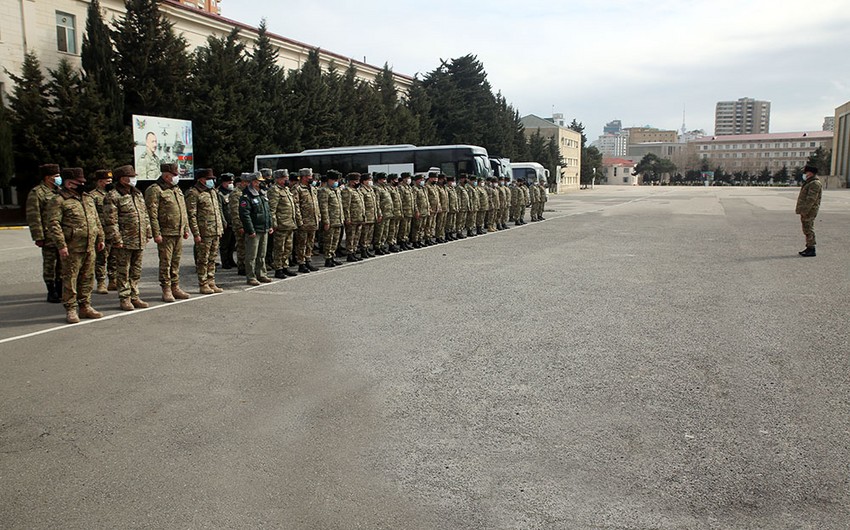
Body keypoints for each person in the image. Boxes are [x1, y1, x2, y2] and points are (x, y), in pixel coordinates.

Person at [46, 168, 105, 323]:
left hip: (89, 245)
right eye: (80, 182)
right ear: (69, 183)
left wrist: (100, 238)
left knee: (87, 277)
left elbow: (95, 219)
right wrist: (61, 245)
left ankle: (85, 306)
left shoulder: (87, 198)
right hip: (72, 247)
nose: (83, 184)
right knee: (70, 279)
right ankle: (71, 309)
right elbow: (53, 224)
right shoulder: (59, 200)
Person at [104, 165, 152, 311]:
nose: (133, 179)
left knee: (136, 270)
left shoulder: (137, 194)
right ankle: (124, 298)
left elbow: (144, 214)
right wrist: (117, 239)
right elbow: (111, 221)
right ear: (121, 179)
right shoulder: (112, 196)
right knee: (123, 271)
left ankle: (134, 296)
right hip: (124, 241)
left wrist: (148, 231)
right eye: (130, 177)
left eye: (133, 176)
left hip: (139, 238)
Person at [144, 162, 191, 303]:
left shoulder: (176, 189)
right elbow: (152, 214)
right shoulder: (155, 190)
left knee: (175, 262)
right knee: (166, 262)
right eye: (174, 175)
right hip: (165, 232)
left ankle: (175, 286)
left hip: (178, 231)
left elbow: (183, 210)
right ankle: (166, 289)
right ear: (166, 176)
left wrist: (185, 228)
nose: (176, 178)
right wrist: (156, 233)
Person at [26, 163, 63, 303]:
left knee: (62, 263)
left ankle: (60, 288)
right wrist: (38, 236)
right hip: (48, 235)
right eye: (56, 176)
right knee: (50, 263)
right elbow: (33, 216)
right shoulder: (37, 192)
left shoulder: (59, 191)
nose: (59, 178)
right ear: (48, 177)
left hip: (61, 234)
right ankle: (51, 290)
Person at [186, 168, 225, 293]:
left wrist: (220, 227)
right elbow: (191, 215)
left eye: (212, 179)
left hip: (215, 230)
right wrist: (196, 233)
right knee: (203, 259)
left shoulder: (212, 191)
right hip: (204, 232)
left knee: (212, 258)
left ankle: (211, 281)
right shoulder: (194, 193)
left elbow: (217, 210)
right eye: (209, 179)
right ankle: (203, 284)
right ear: (201, 179)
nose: (212, 181)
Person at [238, 172, 274, 285]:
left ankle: (262, 274)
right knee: (251, 255)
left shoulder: (262, 194)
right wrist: (250, 230)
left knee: (261, 254)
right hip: (255, 230)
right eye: (260, 181)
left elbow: (267, 211)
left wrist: (270, 225)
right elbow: (245, 215)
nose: (262, 183)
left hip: (264, 229)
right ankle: (251, 276)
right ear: (254, 182)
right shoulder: (246, 196)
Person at [268, 169, 301, 278]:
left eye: (287, 178)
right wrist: (274, 224)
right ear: (278, 179)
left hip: (290, 224)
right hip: (281, 225)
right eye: (284, 178)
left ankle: (285, 266)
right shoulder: (274, 190)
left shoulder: (286, 189)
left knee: (288, 248)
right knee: (279, 248)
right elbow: (272, 209)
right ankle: (278, 268)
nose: (287, 180)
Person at [89, 169, 115, 293]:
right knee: (101, 258)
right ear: (100, 182)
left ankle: (113, 281)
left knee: (114, 257)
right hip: (102, 231)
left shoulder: (114, 194)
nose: (110, 183)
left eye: (111, 180)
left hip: (114, 231)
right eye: (107, 181)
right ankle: (101, 283)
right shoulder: (93, 196)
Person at [293, 168, 320, 272]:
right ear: (304, 177)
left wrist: (319, 216)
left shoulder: (312, 188)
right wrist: (299, 221)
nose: (311, 178)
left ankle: (308, 260)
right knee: (302, 243)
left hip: (313, 220)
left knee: (310, 242)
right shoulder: (297, 189)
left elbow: (316, 204)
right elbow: (296, 206)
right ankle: (301, 263)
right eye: (309, 176)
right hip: (304, 221)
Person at [318, 170, 345, 266]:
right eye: (334, 180)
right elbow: (323, 207)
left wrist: (342, 218)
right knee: (328, 240)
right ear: (329, 180)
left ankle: (332, 256)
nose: (336, 182)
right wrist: (326, 221)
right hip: (330, 220)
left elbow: (340, 205)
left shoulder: (336, 190)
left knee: (335, 240)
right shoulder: (324, 191)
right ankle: (328, 258)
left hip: (338, 220)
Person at [796, 165, 823, 257]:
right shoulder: (810, 182)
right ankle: (809, 247)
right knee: (806, 228)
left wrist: (805, 210)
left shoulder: (814, 183)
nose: (805, 174)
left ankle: (811, 248)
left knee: (808, 228)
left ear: (810, 173)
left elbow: (811, 199)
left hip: (809, 210)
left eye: (806, 172)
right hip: (806, 210)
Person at [341, 173, 365, 261]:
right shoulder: (347, 191)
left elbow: (361, 205)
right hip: (352, 218)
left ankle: (354, 252)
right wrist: (347, 218)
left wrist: (363, 216)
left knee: (356, 237)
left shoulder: (357, 190)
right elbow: (346, 206)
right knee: (350, 237)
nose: (357, 182)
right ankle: (350, 254)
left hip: (358, 218)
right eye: (356, 181)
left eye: (358, 180)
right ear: (351, 181)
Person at [230, 174, 249, 275]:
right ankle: (241, 267)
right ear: (243, 182)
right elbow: (235, 211)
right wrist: (239, 226)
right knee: (241, 246)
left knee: (247, 246)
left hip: (248, 223)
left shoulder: (246, 192)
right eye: (247, 182)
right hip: (240, 224)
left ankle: (246, 265)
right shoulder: (236, 193)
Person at [218, 173, 236, 269]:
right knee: (225, 243)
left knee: (232, 243)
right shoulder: (219, 194)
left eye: (232, 182)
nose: (231, 184)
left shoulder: (232, 192)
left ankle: (231, 259)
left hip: (233, 222)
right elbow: (220, 209)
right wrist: (223, 221)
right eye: (229, 182)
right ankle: (225, 261)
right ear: (223, 183)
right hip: (226, 222)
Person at [397, 172, 415, 249]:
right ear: (404, 179)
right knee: (403, 228)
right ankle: (402, 242)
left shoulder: (409, 187)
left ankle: (405, 241)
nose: (409, 180)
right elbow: (400, 200)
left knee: (407, 228)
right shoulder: (401, 188)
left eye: (409, 178)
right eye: (407, 178)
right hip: (404, 211)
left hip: (410, 211)